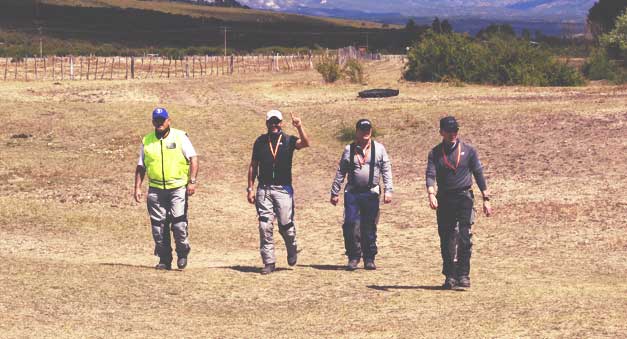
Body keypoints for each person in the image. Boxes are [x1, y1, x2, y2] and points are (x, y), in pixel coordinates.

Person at [425, 116, 492, 289]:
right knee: (447, 238)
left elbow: (478, 173)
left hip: (464, 198)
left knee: (464, 237)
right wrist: (431, 193)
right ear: (441, 132)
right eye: (449, 131)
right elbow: (430, 175)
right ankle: (449, 275)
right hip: (445, 199)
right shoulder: (435, 153)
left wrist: (486, 198)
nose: (453, 134)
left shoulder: (469, 151)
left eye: (455, 131)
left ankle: (463, 274)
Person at [134, 108, 199, 270]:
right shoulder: (147, 141)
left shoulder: (180, 137)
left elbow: (193, 158)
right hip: (156, 190)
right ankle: (164, 259)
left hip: (177, 188)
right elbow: (141, 166)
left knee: (178, 223)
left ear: (168, 121)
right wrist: (137, 187)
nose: (159, 123)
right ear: (152, 122)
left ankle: (182, 252)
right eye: (156, 120)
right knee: (158, 226)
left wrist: (192, 181)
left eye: (162, 120)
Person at [247, 110, 310, 275]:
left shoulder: (288, 140)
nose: (274, 125)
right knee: (264, 225)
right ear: (266, 123)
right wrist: (250, 188)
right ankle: (269, 262)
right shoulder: (260, 141)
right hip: (264, 189)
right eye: (271, 122)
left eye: (277, 122)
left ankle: (292, 247)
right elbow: (253, 165)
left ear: (281, 123)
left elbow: (305, 143)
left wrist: (299, 127)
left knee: (286, 226)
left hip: (283, 189)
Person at [330, 119, 393, 271]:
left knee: (369, 226)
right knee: (350, 224)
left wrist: (388, 190)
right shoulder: (348, 150)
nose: (366, 132)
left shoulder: (379, 149)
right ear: (356, 131)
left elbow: (386, 170)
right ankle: (353, 256)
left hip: (371, 193)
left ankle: (369, 258)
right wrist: (335, 192)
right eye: (363, 129)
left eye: (368, 129)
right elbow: (341, 172)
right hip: (352, 193)